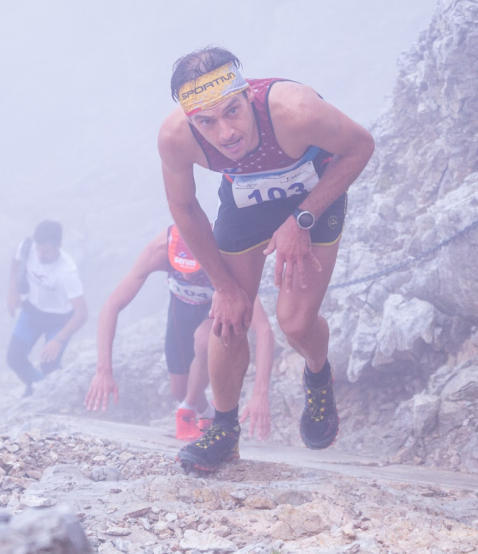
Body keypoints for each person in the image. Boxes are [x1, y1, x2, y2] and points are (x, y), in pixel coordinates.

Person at [158, 47, 374, 472]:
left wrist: (303, 219)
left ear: (246, 96)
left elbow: (361, 146)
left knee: (294, 323)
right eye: (207, 122)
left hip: (315, 196)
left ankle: (317, 373)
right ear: (190, 121)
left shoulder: (295, 110)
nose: (225, 134)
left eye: (232, 112)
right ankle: (223, 431)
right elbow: (184, 208)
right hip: (247, 203)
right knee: (228, 314)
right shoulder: (175, 138)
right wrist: (222, 286)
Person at [84, 224, 274, 442]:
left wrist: (260, 393)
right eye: (179, 266)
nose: (185, 273)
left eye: (193, 269)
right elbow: (111, 306)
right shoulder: (157, 251)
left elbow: (264, 330)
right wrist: (103, 370)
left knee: (204, 340)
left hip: (215, 310)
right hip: (181, 310)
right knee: (179, 390)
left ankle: (186, 411)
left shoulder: (226, 257)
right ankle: (206, 412)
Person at [6, 220, 88, 396]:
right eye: (39, 249)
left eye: (46, 251)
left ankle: (54, 394)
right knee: (14, 358)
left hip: (58, 320)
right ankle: (37, 386)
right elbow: (16, 258)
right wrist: (12, 289)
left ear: (58, 246)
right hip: (32, 311)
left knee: (49, 365)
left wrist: (58, 340)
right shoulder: (29, 245)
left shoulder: (67, 272)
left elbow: (81, 314)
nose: (40, 255)